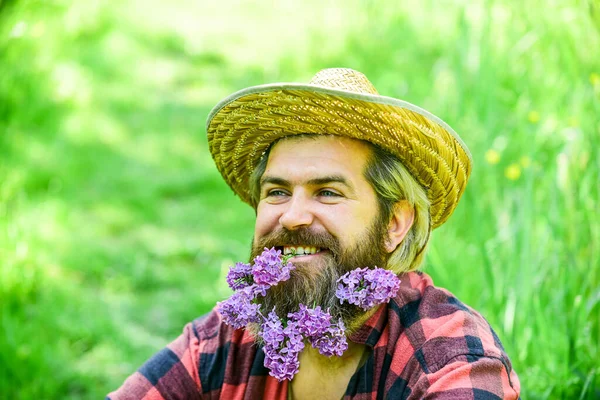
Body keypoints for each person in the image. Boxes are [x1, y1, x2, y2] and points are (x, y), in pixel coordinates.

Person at [108, 68, 521, 399]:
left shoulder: (446, 358)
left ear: (395, 224)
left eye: (327, 192)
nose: (292, 217)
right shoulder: (227, 339)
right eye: (277, 192)